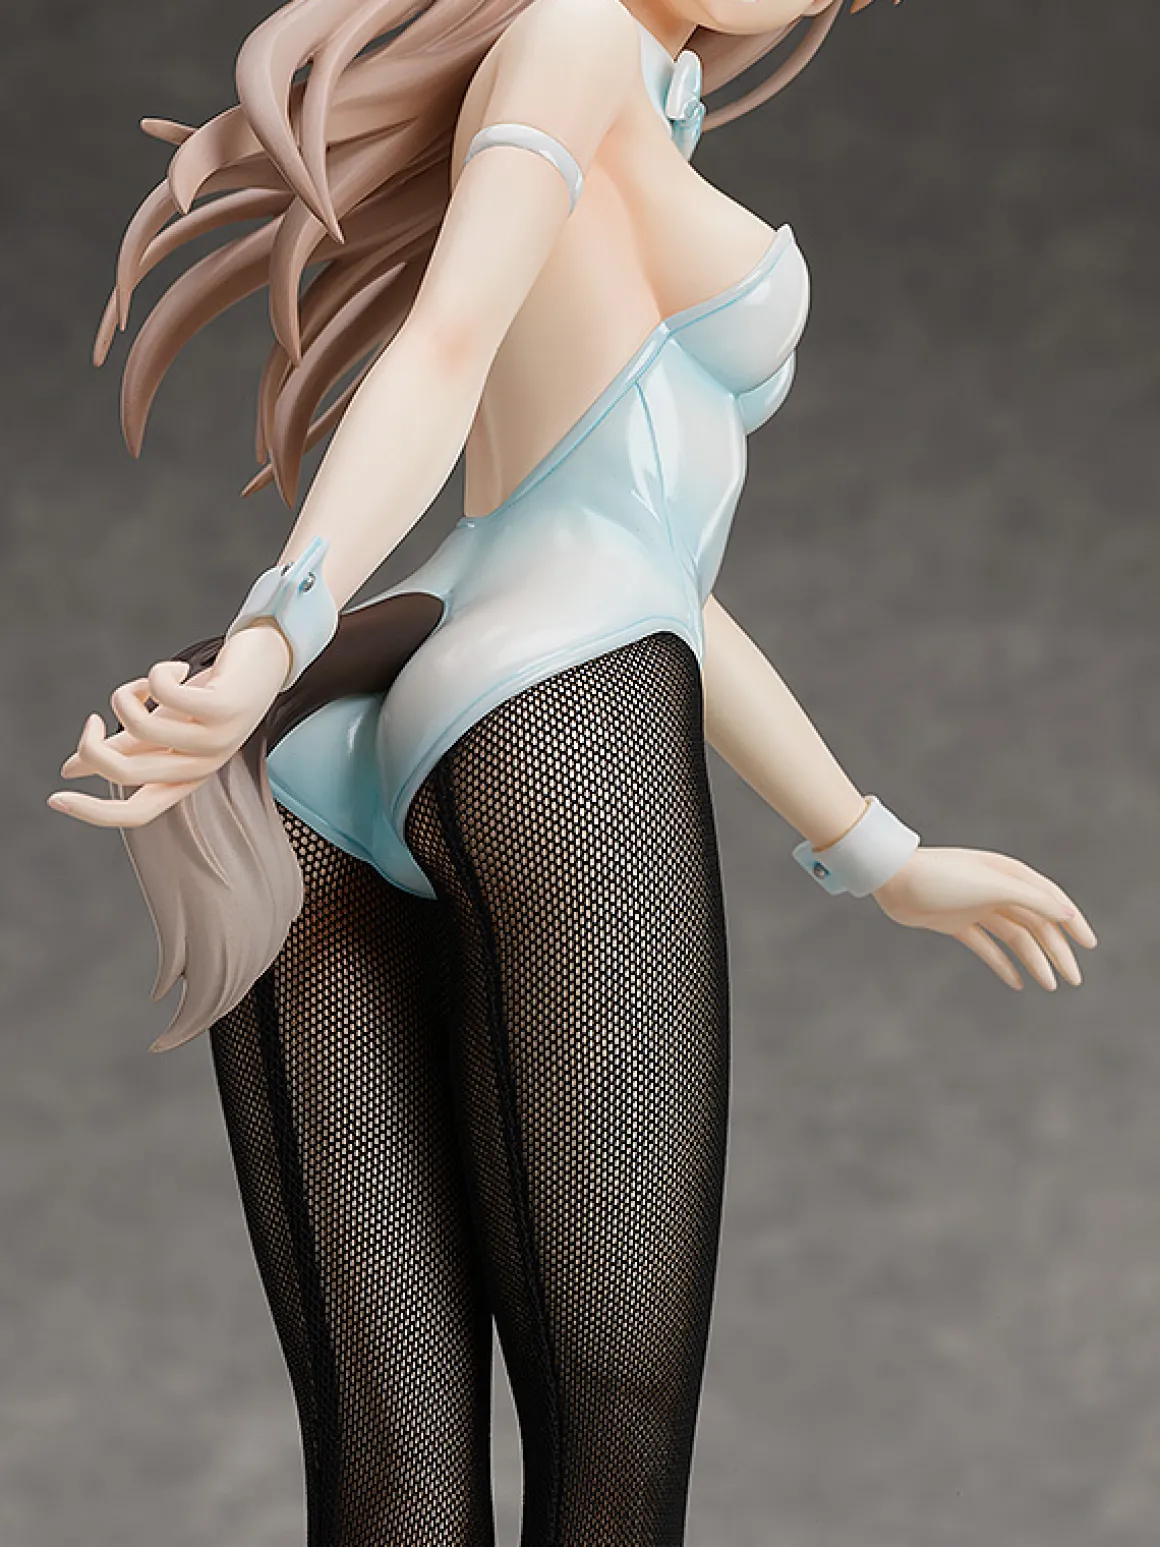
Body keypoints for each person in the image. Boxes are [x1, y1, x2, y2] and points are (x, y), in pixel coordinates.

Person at [47, 0, 1098, 1541]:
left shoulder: (618, 82)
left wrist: (878, 848)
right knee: (613, 1467)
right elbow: (446, 349)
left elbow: (663, 573)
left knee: (392, 1474)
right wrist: (274, 635)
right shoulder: (577, 35)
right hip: (552, 709)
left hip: (405, 704)